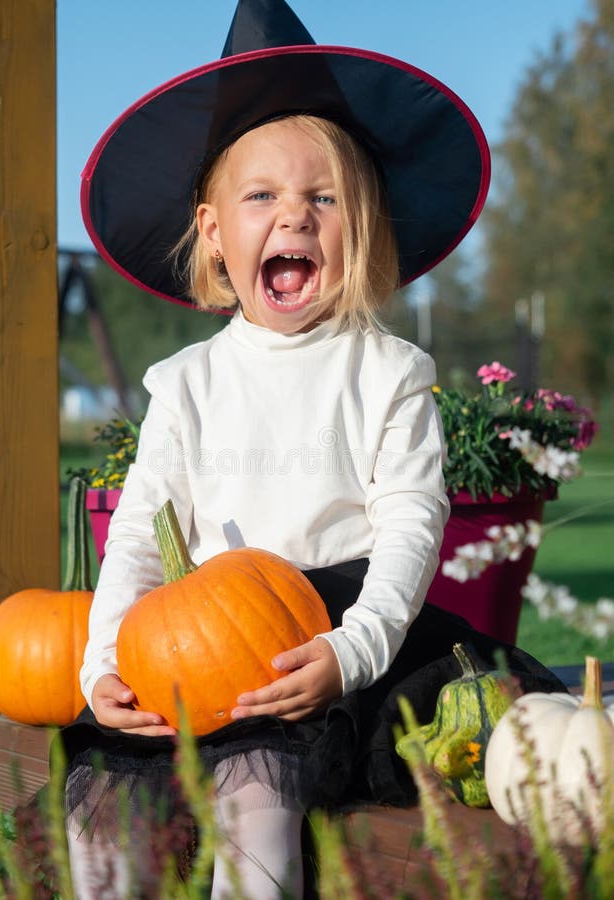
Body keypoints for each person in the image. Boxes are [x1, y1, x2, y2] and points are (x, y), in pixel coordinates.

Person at [61, 2, 564, 897]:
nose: (292, 216)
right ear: (216, 234)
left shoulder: (387, 371)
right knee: (106, 818)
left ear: (360, 226)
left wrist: (355, 649)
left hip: (332, 627)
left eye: (322, 198)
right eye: (261, 196)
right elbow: (137, 533)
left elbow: (412, 522)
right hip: (199, 649)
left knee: (259, 812)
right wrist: (104, 665)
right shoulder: (186, 383)